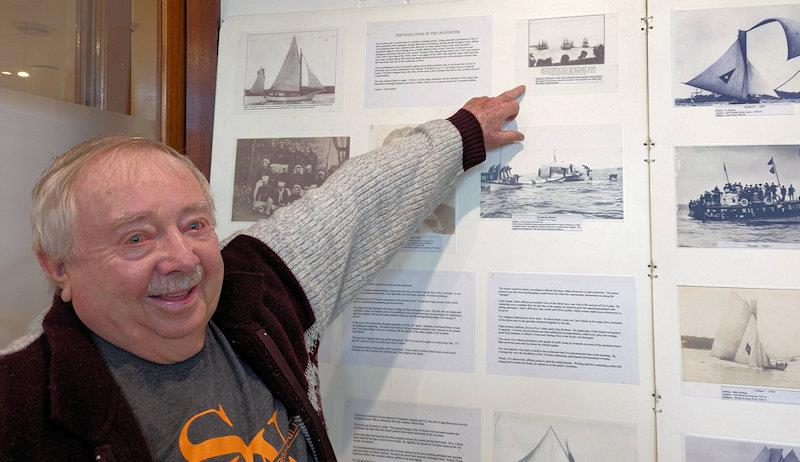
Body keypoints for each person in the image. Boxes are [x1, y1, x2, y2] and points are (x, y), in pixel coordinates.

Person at [0, 85, 525, 460]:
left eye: (195, 223)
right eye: (136, 237)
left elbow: (355, 204)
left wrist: (462, 134)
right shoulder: (20, 402)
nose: (183, 259)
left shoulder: (253, 291)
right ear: (59, 267)